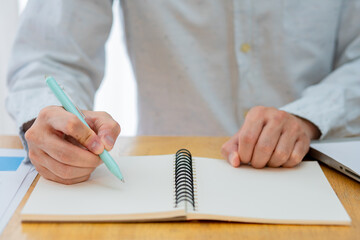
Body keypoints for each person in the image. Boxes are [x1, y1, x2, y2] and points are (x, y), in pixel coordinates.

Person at [6, 1, 360, 185]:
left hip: (319, 166)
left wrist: (311, 114)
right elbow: (49, 55)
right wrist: (54, 118)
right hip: (166, 170)